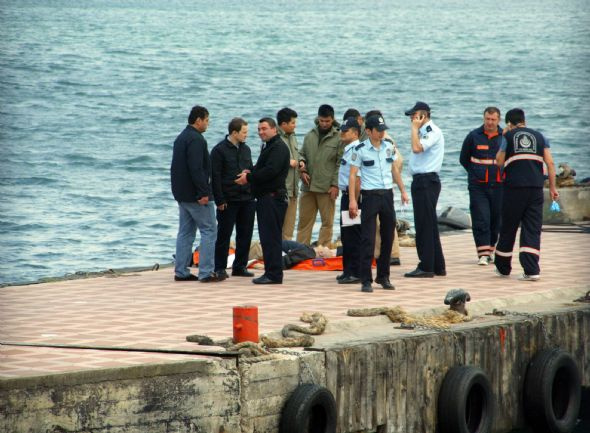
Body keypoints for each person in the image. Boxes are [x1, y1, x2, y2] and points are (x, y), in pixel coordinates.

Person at [494, 108, 559, 281]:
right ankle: (531, 270)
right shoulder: (540, 137)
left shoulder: (507, 137)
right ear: (524, 121)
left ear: (508, 123)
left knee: (508, 227)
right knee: (532, 228)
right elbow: (550, 163)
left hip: (514, 188)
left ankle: (503, 267)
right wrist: (553, 188)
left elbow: (499, 161)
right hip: (536, 188)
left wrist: (504, 137)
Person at [349, 115, 409, 293]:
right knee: (367, 238)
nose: (383, 133)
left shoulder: (389, 146)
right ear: (368, 131)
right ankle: (366, 280)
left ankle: (383, 276)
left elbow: (394, 170)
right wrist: (353, 200)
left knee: (388, 236)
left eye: (384, 130)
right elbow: (353, 175)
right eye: (379, 130)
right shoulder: (360, 149)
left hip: (387, 195)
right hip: (369, 196)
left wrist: (403, 190)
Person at [236, 117, 290, 284]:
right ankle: (271, 271)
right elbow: (262, 167)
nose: (261, 132)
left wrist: (249, 177)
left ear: (274, 129)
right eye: (259, 129)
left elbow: (270, 171)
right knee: (267, 237)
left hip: (273, 198)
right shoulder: (269, 146)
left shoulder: (279, 147)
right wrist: (250, 171)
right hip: (266, 198)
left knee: (271, 237)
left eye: (264, 128)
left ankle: (274, 274)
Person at [170, 105, 218, 283]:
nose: (208, 124)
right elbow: (197, 168)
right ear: (198, 120)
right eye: (206, 120)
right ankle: (206, 272)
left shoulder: (181, 137)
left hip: (182, 194)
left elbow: (176, 168)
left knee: (186, 232)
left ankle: (181, 271)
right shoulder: (197, 140)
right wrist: (203, 192)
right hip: (196, 195)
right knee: (209, 230)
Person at [403, 101, 446, 278]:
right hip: (422, 181)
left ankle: (426, 266)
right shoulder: (422, 131)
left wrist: (414, 129)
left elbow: (417, 148)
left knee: (424, 225)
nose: (412, 119)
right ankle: (437, 265)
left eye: (414, 115)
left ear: (424, 115)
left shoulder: (431, 131)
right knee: (429, 224)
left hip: (426, 181)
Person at [210, 117, 256, 280]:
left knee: (245, 234)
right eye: (244, 132)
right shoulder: (218, 150)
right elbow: (215, 177)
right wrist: (219, 200)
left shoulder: (246, 149)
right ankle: (220, 267)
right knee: (224, 235)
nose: (246, 135)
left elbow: (250, 169)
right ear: (234, 132)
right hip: (228, 199)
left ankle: (240, 266)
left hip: (247, 198)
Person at [460, 107, 504, 265]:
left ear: (499, 120)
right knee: (481, 219)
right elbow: (463, 159)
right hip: (478, 186)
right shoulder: (473, 136)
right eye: (487, 119)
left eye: (493, 119)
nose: (490, 122)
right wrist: (475, 174)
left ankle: (491, 249)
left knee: (496, 220)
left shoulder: (505, 137)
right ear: (483, 118)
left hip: (499, 185)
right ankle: (483, 254)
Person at [296, 104, 342, 246]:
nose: (324, 124)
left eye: (327, 121)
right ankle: (300, 250)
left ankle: (323, 251)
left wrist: (335, 185)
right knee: (304, 222)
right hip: (307, 187)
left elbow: (340, 163)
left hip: (326, 188)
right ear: (318, 118)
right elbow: (301, 154)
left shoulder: (339, 137)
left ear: (332, 119)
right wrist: (302, 168)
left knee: (327, 223)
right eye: (322, 120)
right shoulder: (310, 135)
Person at [365, 109, 405, 266]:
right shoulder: (372, 141)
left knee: (385, 224)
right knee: (382, 224)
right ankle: (385, 253)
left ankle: (392, 254)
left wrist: (390, 179)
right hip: (381, 187)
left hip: (384, 187)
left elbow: (397, 163)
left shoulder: (386, 141)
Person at [336, 117, 362, 284]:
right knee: (346, 235)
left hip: (353, 197)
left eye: (345, 131)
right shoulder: (348, 148)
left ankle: (356, 272)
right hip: (346, 195)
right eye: (341, 130)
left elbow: (358, 178)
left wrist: (355, 200)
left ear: (355, 133)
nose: (342, 133)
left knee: (354, 235)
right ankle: (348, 270)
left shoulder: (356, 150)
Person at [277, 107, 300, 240]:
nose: (295, 125)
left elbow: (298, 154)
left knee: (289, 228)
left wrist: (300, 161)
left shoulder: (293, 137)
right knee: (279, 226)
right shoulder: (275, 139)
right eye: (292, 123)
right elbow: (270, 163)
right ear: (283, 124)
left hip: (294, 190)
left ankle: (286, 255)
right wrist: (287, 162)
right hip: (282, 190)